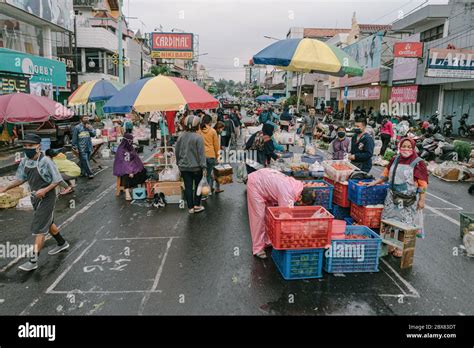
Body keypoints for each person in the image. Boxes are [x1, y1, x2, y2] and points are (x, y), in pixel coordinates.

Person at [0, 134, 69, 271]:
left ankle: (33, 261)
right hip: (35, 197)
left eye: (30, 146)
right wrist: (6, 187)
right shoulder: (25, 161)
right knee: (47, 223)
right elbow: (21, 178)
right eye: (25, 146)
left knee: (39, 228)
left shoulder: (46, 161)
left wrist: (44, 190)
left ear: (38, 146)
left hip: (47, 197)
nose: (27, 148)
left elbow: (57, 180)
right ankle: (62, 243)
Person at [367, 138, 428, 256]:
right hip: (392, 196)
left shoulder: (418, 162)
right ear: (399, 147)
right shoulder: (395, 159)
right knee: (388, 222)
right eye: (404, 146)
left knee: (404, 225)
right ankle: (388, 245)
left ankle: (400, 247)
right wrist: (374, 183)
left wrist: (422, 199)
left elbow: (422, 183)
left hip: (408, 200)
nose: (406, 149)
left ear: (413, 148)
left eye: (409, 147)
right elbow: (385, 175)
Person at [246, 168, 318, 259]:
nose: (299, 205)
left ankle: (267, 241)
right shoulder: (288, 195)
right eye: (301, 204)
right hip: (256, 184)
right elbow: (285, 220)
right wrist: (300, 231)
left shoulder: (298, 186)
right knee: (258, 217)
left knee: (269, 215)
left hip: (266, 180)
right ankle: (257, 248)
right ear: (300, 198)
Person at [175, 115, 207, 214]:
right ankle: (197, 205)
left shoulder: (181, 136)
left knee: (188, 187)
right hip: (196, 167)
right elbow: (201, 154)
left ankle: (190, 208)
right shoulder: (198, 138)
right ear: (197, 125)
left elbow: (177, 151)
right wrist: (204, 167)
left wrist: (178, 163)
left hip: (184, 167)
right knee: (198, 186)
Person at [113, 133, 147, 201]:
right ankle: (127, 191)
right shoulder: (120, 150)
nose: (132, 142)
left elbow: (135, 157)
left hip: (131, 165)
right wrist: (130, 171)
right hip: (122, 167)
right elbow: (123, 163)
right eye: (130, 141)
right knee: (126, 174)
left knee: (143, 170)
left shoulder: (130, 147)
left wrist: (138, 165)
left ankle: (140, 187)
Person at [198, 115, 223, 198]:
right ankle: (207, 192)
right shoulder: (212, 131)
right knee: (208, 175)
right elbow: (216, 146)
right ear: (209, 122)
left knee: (201, 175)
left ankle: (202, 192)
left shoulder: (199, 131)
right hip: (210, 155)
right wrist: (218, 156)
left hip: (201, 156)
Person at [72, 115, 95, 179]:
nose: (86, 119)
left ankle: (82, 172)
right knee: (85, 160)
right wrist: (75, 147)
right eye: (85, 118)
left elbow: (94, 135)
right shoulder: (77, 127)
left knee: (85, 160)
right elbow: (74, 138)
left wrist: (90, 129)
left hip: (89, 146)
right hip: (81, 148)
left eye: (87, 118)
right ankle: (90, 174)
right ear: (81, 119)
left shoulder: (89, 126)